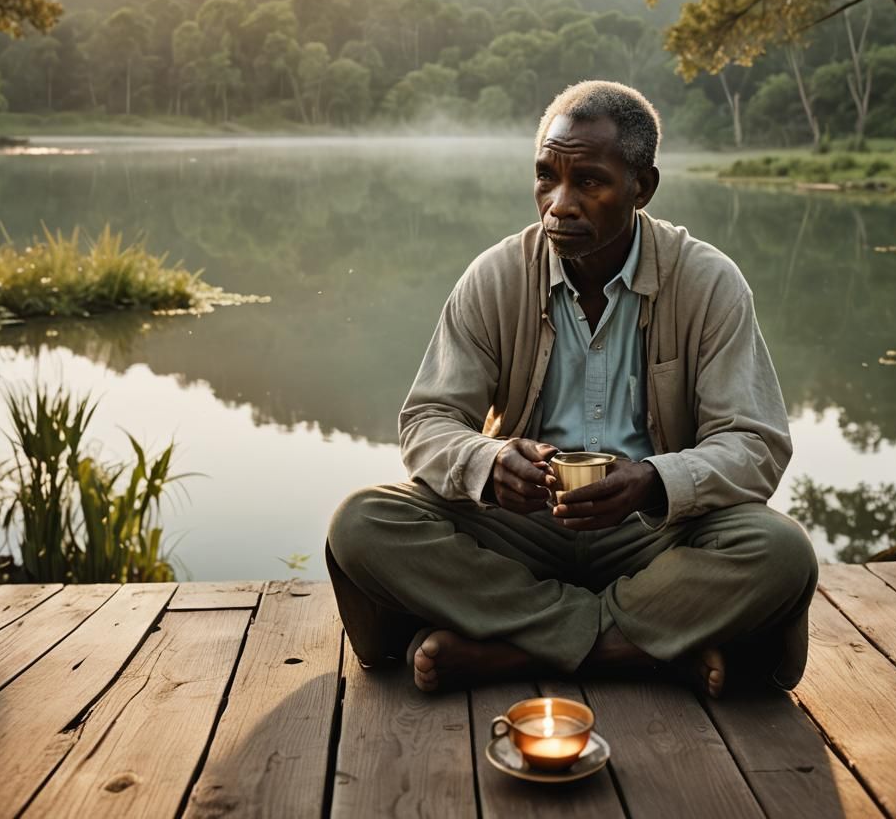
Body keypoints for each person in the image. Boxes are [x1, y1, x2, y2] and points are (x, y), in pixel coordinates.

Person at [326, 79, 818, 698]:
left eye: (589, 181)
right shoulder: (497, 275)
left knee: (778, 550)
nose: (559, 204)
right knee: (363, 521)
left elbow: (755, 444)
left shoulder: (709, 281)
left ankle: (508, 651)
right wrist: (490, 459)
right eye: (545, 178)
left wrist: (653, 479)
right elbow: (427, 421)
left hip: (651, 532)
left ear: (643, 187)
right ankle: (644, 650)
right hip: (521, 528)